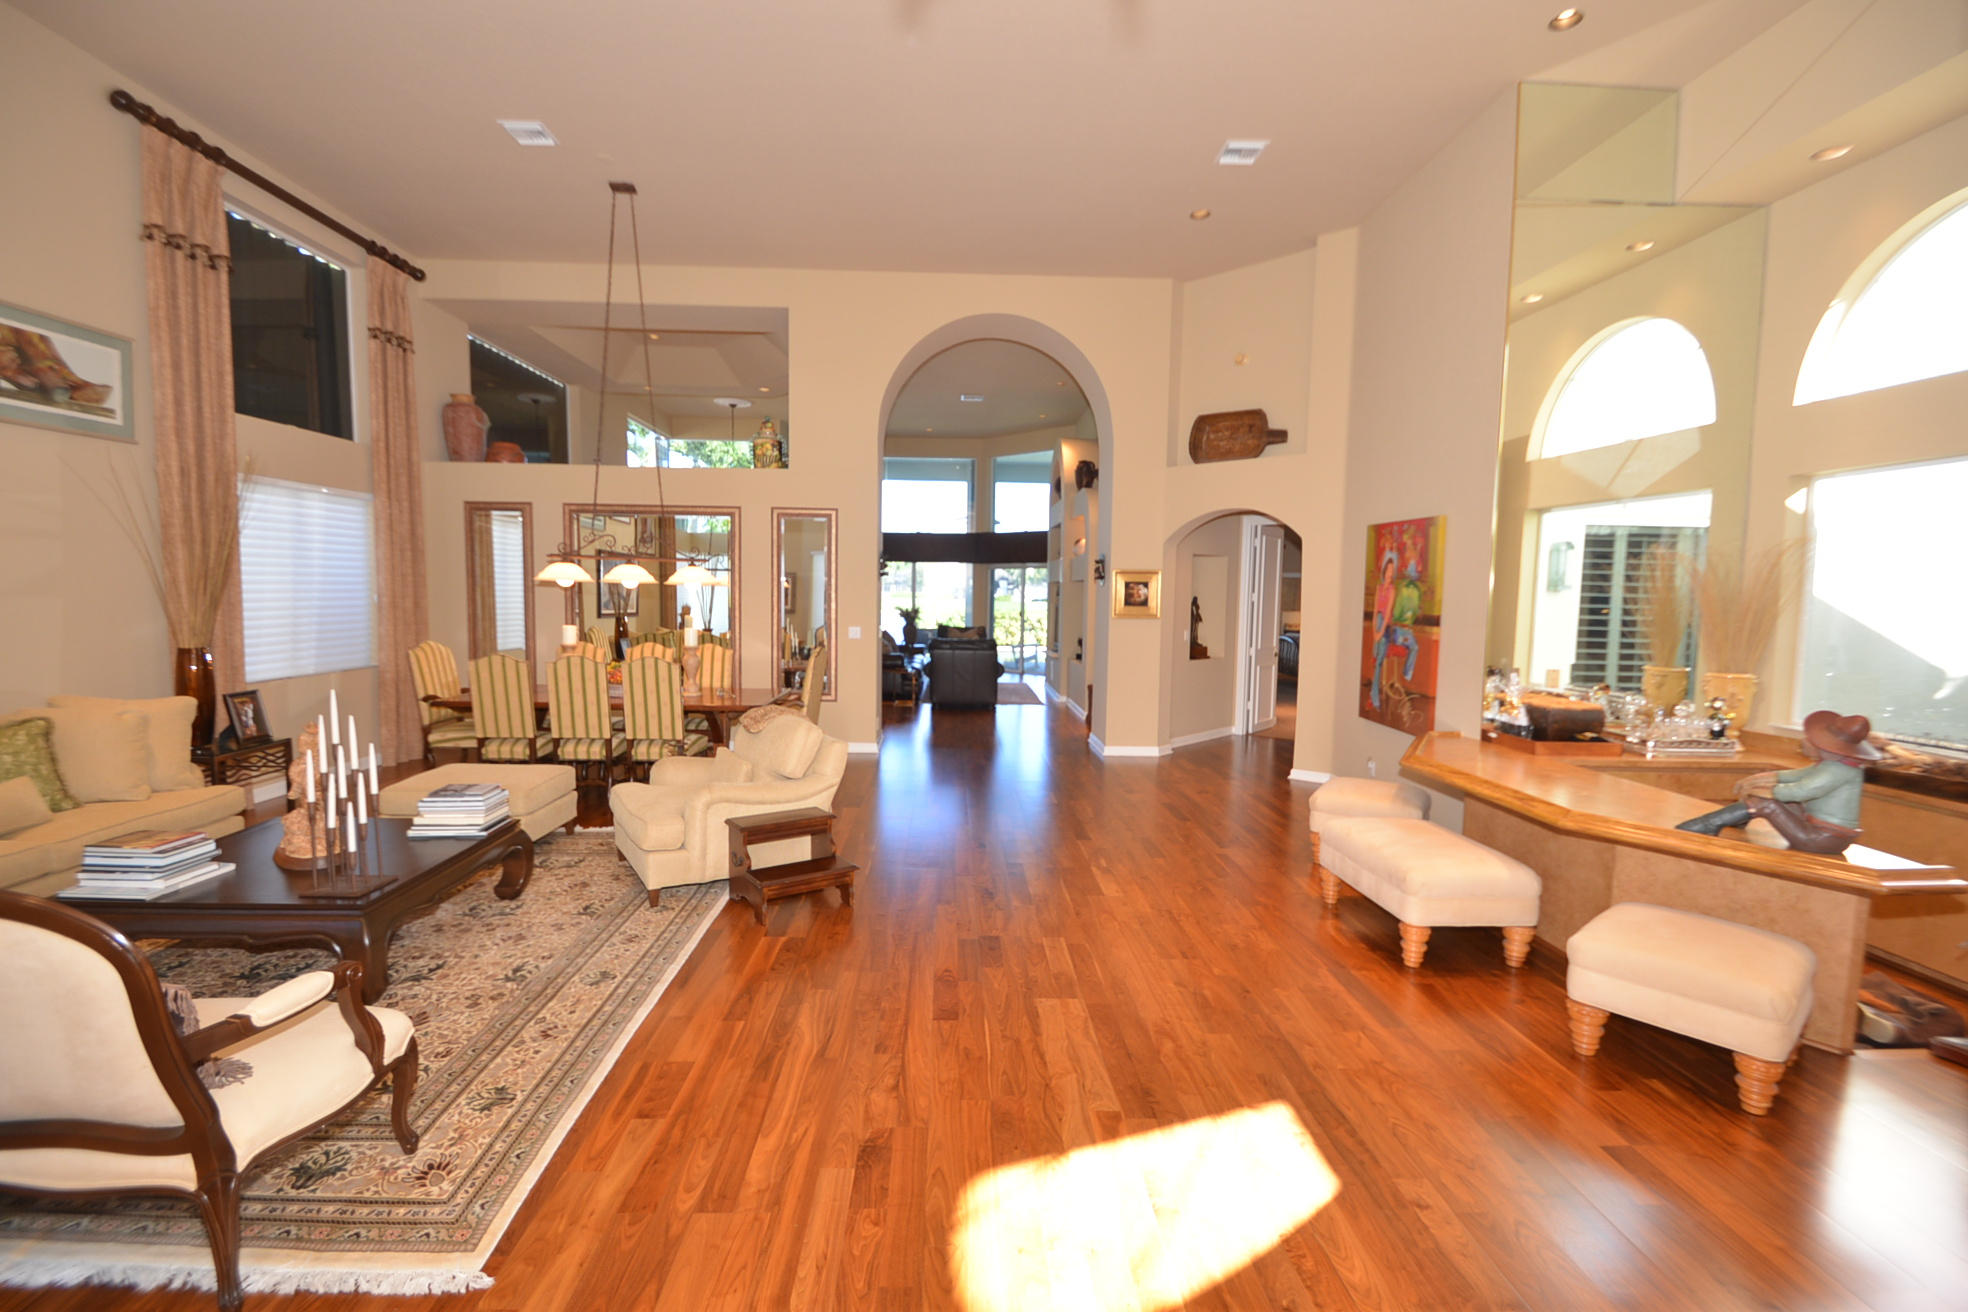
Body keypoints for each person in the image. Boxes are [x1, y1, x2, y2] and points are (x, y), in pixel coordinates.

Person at [1674, 710, 1882, 854]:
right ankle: (1737, 819)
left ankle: (1708, 825)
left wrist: (1765, 790)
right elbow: (1799, 775)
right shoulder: (1836, 766)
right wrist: (1765, 778)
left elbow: (1801, 791)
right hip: (1823, 833)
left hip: (1822, 839)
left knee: (1765, 803)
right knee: (1771, 799)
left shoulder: (1836, 771)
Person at [1369, 553, 1421, 710]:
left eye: (1392, 571)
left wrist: (1380, 633)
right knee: (1377, 660)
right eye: (1388, 570)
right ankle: (1374, 696)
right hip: (1378, 624)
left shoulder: (1392, 590)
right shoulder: (1379, 588)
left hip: (1386, 628)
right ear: (1384, 570)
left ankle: (1375, 697)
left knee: (1379, 659)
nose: (1390, 573)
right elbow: (1375, 612)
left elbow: (1387, 616)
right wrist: (1374, 631)